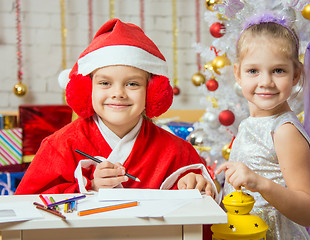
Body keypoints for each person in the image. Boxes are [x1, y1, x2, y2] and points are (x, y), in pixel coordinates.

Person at [15, 18, 217, 199]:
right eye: (105, 83)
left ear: (152, 92)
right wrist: (90, 186)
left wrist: (196, 186)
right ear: (86, 89)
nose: (118, 93)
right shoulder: (59, 145)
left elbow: (200, 214)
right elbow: (28, 204)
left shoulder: (177, 151)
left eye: (132, 84)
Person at [215, 16, 310, 239]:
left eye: (278, 71)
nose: (266, 82)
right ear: (237, 73)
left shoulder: (284, 131)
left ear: (296, 75)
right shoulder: (249, 124)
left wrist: (260, 183)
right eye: (253, 71)